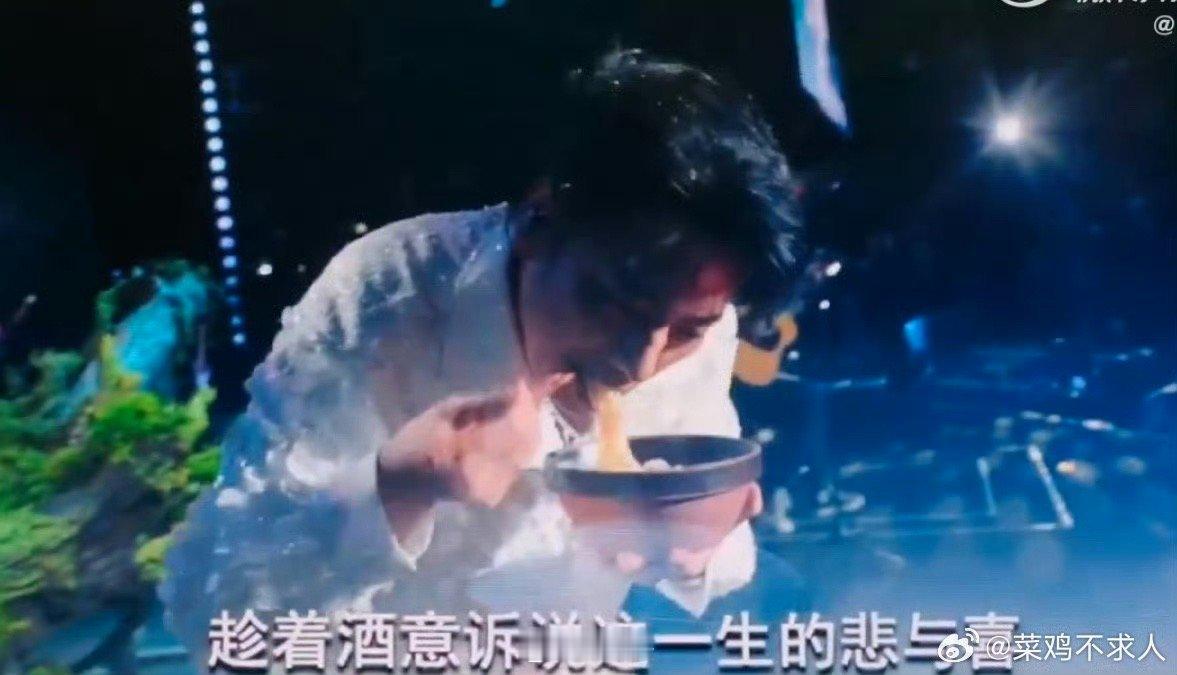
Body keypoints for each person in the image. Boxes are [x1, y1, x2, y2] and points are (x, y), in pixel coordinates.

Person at [162, 49, 803, 667]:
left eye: (687, 331)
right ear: (539, 219)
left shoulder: (699, 320)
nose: (638, 367)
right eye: (613, 303)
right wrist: (398, 484)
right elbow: (223, 615)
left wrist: (691, 542)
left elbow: (710, 557)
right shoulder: (385, 299)